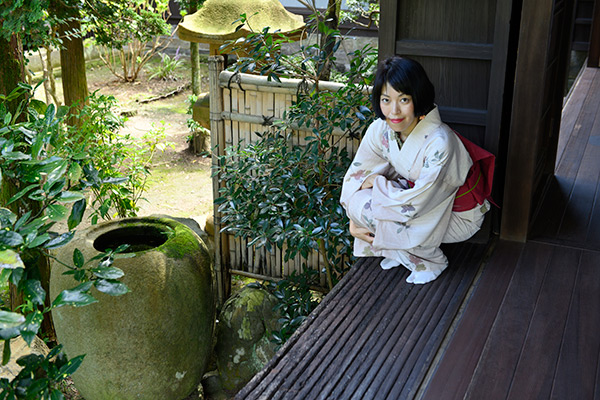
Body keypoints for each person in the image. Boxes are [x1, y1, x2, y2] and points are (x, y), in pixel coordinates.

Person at [340, 56, 494, 284]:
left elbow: (418, 205)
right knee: (360, 204)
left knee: (370, 212)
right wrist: (355, 215)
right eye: (386, 100)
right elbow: (357, 175)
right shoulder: (380, 130)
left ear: (418, 97)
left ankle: (430, 262)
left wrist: (376, 186)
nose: (394, 111)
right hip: (415, 202)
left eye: (404, 99)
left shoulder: (440, 142)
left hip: (455, 214)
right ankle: (397, 251)